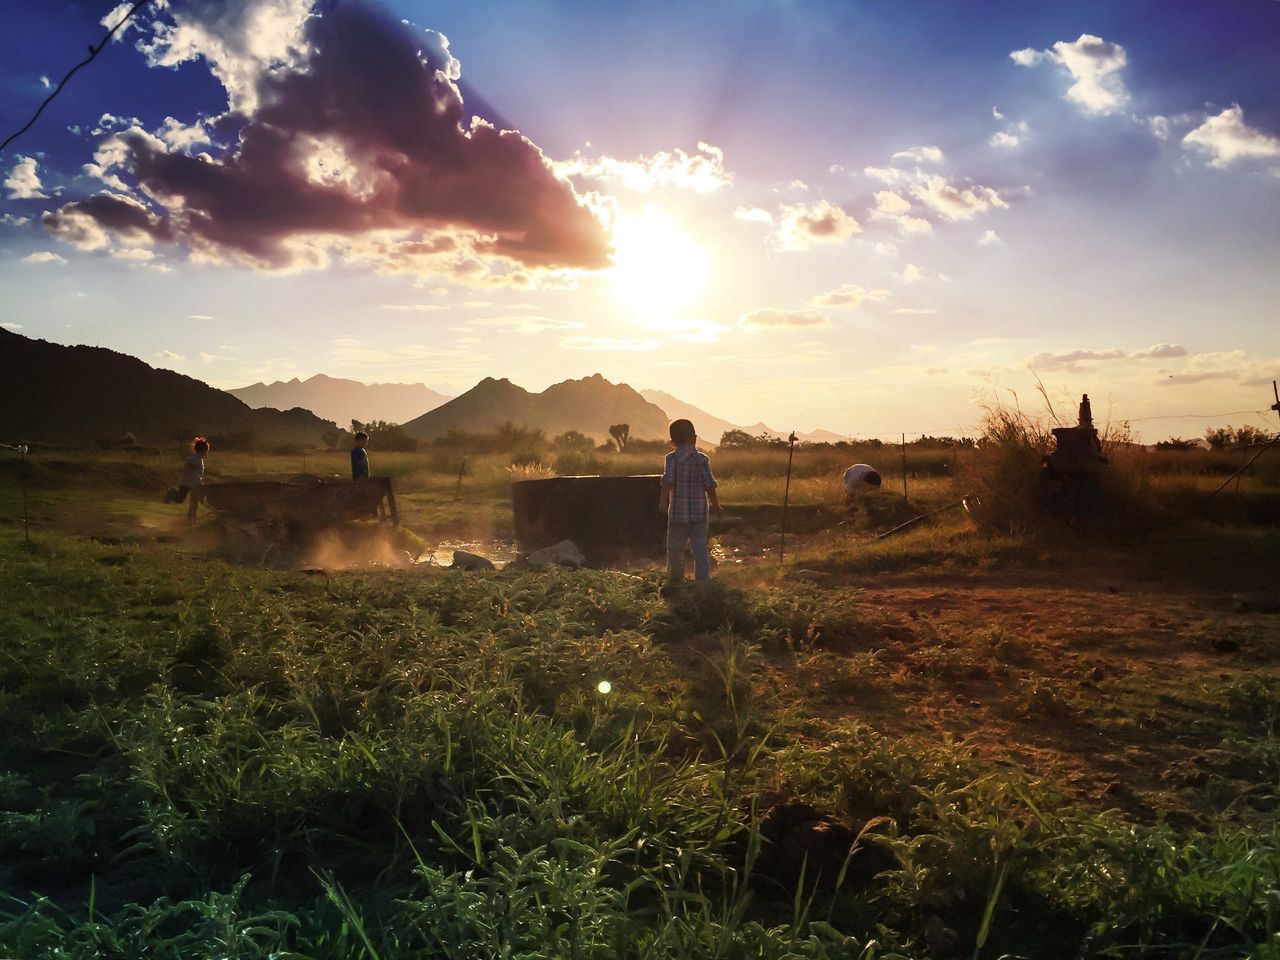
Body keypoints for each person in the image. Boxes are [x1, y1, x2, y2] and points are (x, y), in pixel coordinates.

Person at [659, 418, 721, 582]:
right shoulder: (703, 460)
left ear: (672, 443)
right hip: (699, 514)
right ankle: (702, 579)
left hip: (678, 514)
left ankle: (675, 578)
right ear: (695, 438)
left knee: (675, 548)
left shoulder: (672, 459)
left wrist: (663, 502)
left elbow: (668, 481)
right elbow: (709, 485)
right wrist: (716, 504)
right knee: (700, 547)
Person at [164, 437, 209, 503]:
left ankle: (193, 510)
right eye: (207, 450)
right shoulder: (197, 458)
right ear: (203, 450)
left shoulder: (198, 458)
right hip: (190, 482)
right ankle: (173, 492)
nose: (207, 452)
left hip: (191, 482)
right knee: (180, 499)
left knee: (182, 499)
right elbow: (188, 465)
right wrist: (192, 475)